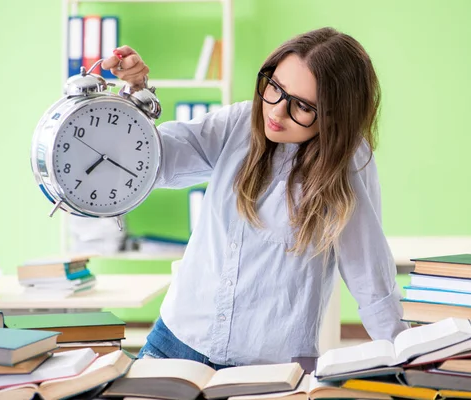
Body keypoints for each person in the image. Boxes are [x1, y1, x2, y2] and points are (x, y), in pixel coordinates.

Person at [102, 27, 408, 369]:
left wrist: (409, 362)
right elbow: (152, 163)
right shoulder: (238, 123)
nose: (276, 111)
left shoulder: (345, 164)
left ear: (336, 116)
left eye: (303, 106)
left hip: (270, 368)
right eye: (275, 88)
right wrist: (135, 95)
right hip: (176, 341)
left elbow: (370, 276)